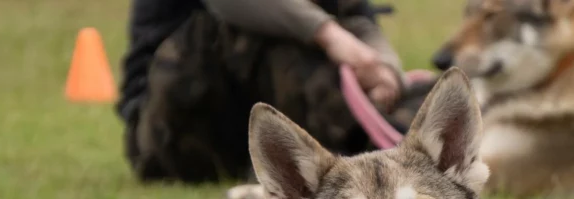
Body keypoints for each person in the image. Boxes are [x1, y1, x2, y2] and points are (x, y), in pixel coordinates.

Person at [118, 0, 420, 183]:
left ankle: (368, 149)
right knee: (272, 29)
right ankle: (350, 151)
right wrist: (329, 35)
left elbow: (358, 21)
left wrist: (384, 69)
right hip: (167, 137)